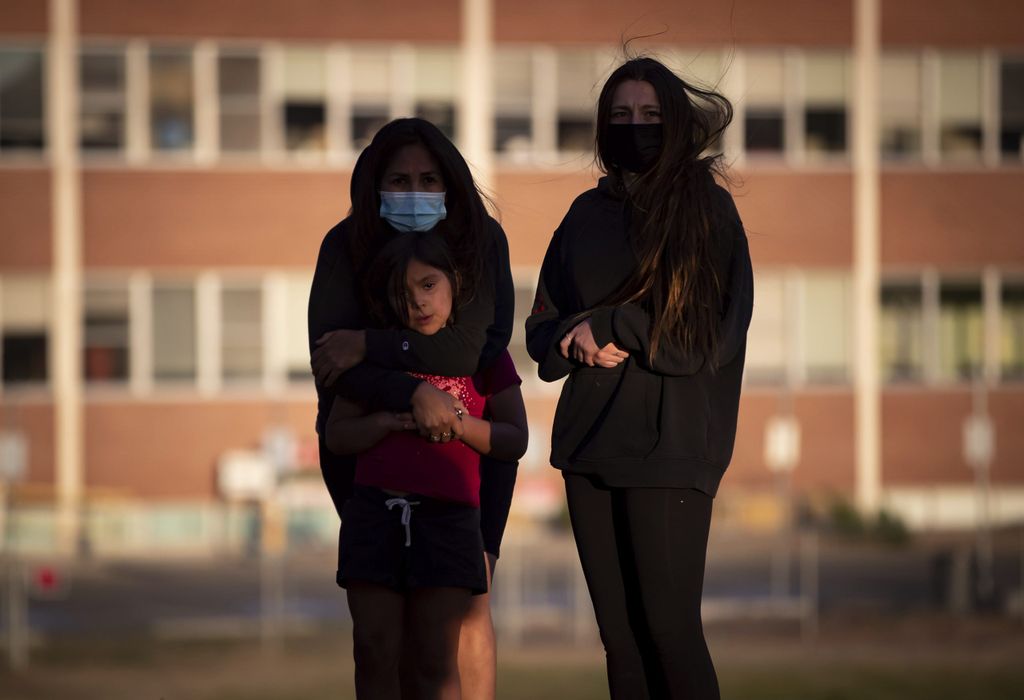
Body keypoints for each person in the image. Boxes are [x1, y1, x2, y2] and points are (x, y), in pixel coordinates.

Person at [525, 57, 754, 700]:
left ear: (677, 122)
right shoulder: (583, 215)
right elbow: (541, 328)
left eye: (651, 115)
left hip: (671, 449)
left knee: (669, 632)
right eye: (621, 116)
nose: (636, 127)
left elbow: (707, 336)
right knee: (620, 644)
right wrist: (577, 338)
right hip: (589, 448)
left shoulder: (705, 211)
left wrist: (616, 327)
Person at [307, 118, 517, 699]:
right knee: (384, 637)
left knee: (468, 615)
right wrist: (411, 393)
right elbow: (329, 364)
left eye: (429, 178)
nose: (415, 191)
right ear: (374, 183)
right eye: (399, 179)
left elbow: (474, 349)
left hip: (466, 467)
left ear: (451, 181)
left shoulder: (482, 240)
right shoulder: (343, 246)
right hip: (367, 464)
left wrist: (371, 345)